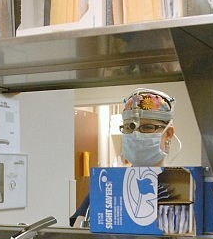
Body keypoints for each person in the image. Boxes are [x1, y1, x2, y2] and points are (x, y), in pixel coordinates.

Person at [70, 87, 177, 226]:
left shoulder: (187, 188)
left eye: (147, 127)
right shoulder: (107, 187)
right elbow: (77, 230)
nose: (136, 135)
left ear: (168, 133)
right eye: (129, 128)